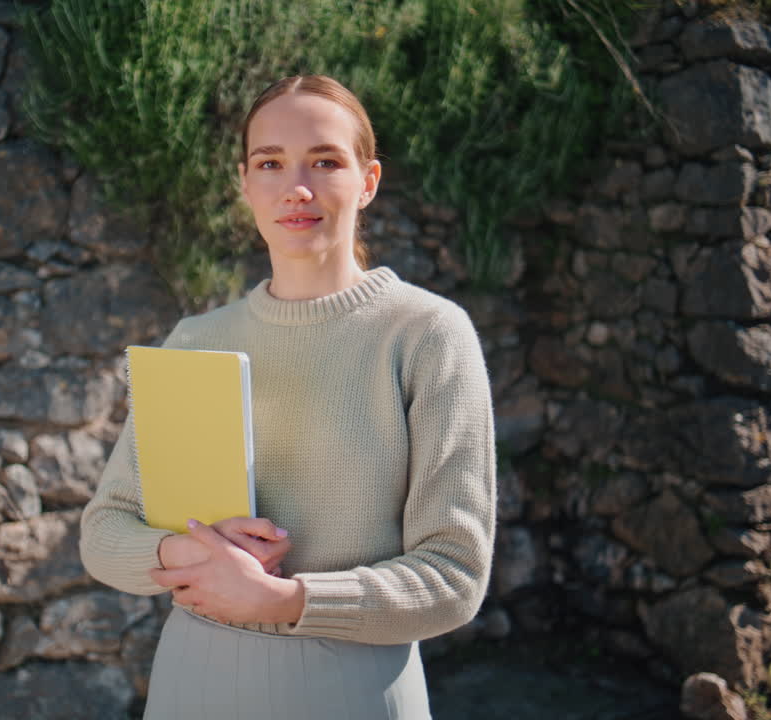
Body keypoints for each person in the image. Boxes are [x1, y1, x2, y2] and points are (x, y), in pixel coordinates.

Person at [79, 74, 497, 719]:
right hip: (193, 681)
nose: (296, 187)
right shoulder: (195, 340)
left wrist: (283, 599)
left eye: (325, 161)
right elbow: (105, 532)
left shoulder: (427, 335)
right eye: (269, 163)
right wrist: (193, 554)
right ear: (245, 182)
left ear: (369, 181)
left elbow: (453, 579)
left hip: (355, 688)